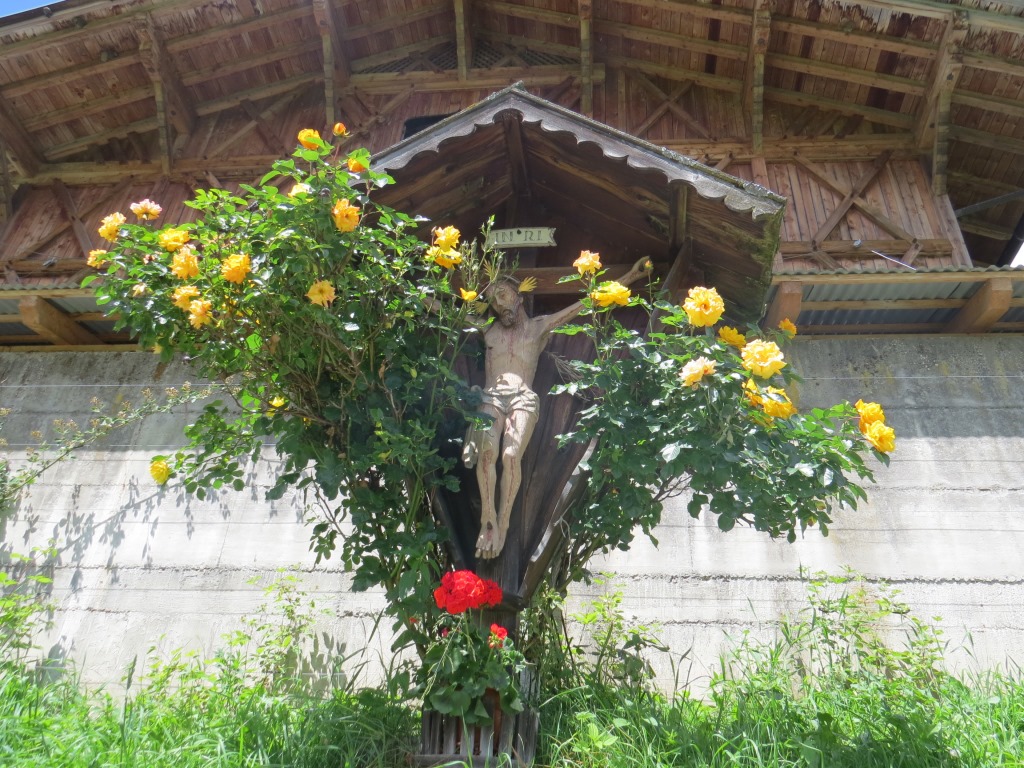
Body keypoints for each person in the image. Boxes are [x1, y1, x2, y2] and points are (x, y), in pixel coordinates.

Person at [464, 257, 653, 559]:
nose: (498, 304)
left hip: (522, 398)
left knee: (511, 455)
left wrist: (630, 276)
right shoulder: (488, 330)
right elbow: (445, 313)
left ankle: (503, 521)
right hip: (491, 397)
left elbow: (585, 304)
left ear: (519, 296)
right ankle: (488, 519)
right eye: (492, 300)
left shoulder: (538, 327)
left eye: (502, 294)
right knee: (487, 452)